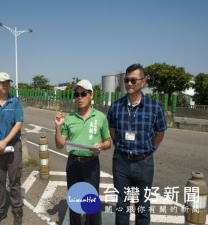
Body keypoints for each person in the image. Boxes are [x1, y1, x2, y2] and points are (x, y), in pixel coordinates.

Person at [107, 64, 167, 225]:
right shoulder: (116, 106)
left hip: (144, 163)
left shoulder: (155, 107)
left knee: (143, 206)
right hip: (121, 162)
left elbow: (160, 132)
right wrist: (120, 144)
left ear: (143, 82)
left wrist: (152, 148)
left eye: (133, 80)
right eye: (127, 80)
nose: (129, 83)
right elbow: (112, 130)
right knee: (122, 205)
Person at [54, 80, 111, 225]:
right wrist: (58, 127)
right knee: (74, 201)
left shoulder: (100, 117)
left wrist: (101, 146)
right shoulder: (70, 118)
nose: (79, 97)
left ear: (91, 95)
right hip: (73, 163)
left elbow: (108, 142)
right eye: (76, 94)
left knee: (91, 203)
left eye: (83, 93)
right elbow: (60, 145)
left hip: (91, 164)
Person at [0, 72, 23, 225]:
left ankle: (17, 210)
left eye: (7, 82)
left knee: (15, 180)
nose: (5, 85)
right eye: (2, 82)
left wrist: (5, 141)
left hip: (13, 145)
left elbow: (19, 123)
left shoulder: (15, 101)